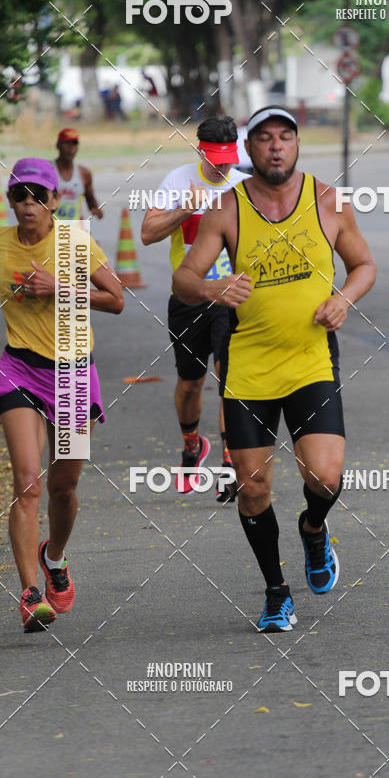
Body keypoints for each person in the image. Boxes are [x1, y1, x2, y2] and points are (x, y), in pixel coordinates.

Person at [173, 106, 376, 631]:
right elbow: (183, 279)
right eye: (264, 139)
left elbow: (364, 265)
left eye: (285, 136)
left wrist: (345, 299)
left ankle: (313, 530)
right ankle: (275, 590)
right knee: (253, 487)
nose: (276, 146)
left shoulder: (329, 201)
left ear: (298, 144)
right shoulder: (226, 209)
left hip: (311, 361)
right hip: (249, 368)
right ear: (251, 150)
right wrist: (215, 288)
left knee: (326, 478)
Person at [0, 158, 123, 632]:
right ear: (11, 201)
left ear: (54, 201)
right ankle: (28, 595)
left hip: (72, 374)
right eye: (20, 196)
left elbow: (117, 299)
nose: (29, 205)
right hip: (19, 369)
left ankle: (55, 558)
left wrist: (59, 287)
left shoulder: (73, 242)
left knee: (63, 487)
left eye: (38, 197)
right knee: (28, 481)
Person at [141, 116, 248, 498]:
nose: (223, 166)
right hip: (188, 298)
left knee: (228, 380)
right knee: (190, 384)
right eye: (216, 158)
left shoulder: (244, 186)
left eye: (229, 158)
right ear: (199, 151)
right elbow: (147, 234)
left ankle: (230, 465)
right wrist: (184, 211)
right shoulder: (177, 181)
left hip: (232, 298)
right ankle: (191, 444)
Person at [54, 128, 103, 221]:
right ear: (58, 145)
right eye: (67, 143)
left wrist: (96, 209)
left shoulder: (84, 173)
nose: (71, 148)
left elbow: (91, 200)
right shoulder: (48, 169)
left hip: (75, 228)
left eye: (74, 144)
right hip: (51, 229)